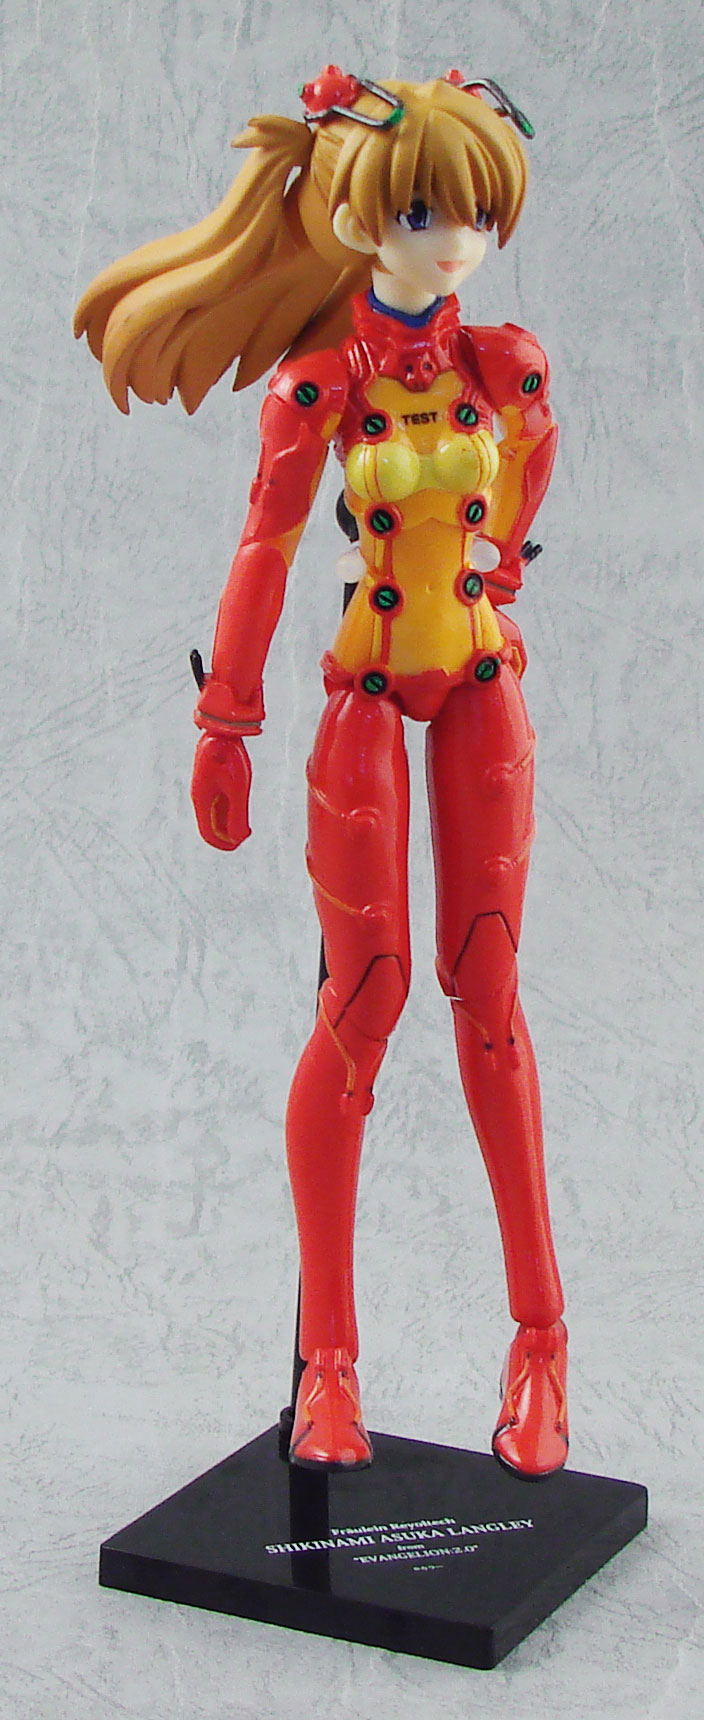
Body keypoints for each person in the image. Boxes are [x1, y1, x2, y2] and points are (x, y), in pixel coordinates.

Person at [74, 67, 568, 1480]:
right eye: (423, 214)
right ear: (357, 217)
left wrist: (495, 579)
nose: (454, 242)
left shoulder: (510, 366)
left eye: (475, 215)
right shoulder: (318, 384)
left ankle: (542, 1340)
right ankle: (331, 1363)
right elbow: (265, 548)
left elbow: (527, 486)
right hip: (363, 689)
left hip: (478, 684)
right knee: (364, 1002)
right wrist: (225, 719)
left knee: (489, 993)